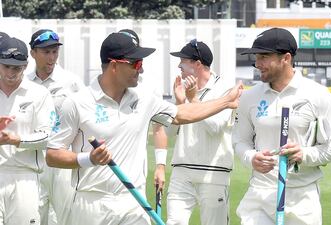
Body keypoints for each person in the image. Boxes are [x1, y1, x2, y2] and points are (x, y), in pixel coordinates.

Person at [45, 32, 242, 225]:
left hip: (133, 202)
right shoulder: (77, 103)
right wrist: (89, 159)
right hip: (91, 204)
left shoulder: (144, 99)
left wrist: (226, 101)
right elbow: (53, 155)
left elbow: (183, 114)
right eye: (135, 63)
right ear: (114, 65)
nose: (141, 70)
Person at [232, 27, 331, 225]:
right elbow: (240, 140)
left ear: (285, 58)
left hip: (302, 197)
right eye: (256, 57)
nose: (258, 64)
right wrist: (251, 157)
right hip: (259, 194)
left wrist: (304, 154)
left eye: (264, 57)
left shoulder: (318, 94)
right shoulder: (250, 97)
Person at [166, 40, 234, 225]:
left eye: (183, 61)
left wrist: (193, 100)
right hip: (181, 170)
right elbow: (170, 133)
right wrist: (180, 103)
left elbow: (216, 127)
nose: (179, 65)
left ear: (197, 64)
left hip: (214, 172)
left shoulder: (225, 89)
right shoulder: (183, 89)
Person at [26, 29, 85, 225]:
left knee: (67, 217)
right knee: (33, 215)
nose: (51, 58)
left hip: (62, 158)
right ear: (33, 53)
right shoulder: (24, 82)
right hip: (33, 159)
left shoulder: (72, 82)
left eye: (54, 52)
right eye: (46, 52)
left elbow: (84, 120)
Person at [0, 37, 54, 225]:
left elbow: (48, 135)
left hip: (25, 177)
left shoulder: (38, 93)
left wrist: (16, 140)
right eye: (6, 66)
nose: (11, 72)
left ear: (25, 65)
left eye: (16, 67)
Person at [118, 29, 168, 195]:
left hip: (136, 167)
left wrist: (160, 167)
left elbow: (159, 128)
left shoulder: (149, 86)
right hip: (103, 168)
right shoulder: (102, 83)